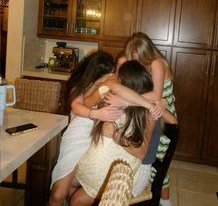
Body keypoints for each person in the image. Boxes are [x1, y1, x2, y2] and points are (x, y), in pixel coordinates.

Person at [49, 52, 163, 206]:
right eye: (116, 69)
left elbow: (141, 151)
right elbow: (82, 104)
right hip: (96, 160)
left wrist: (115, 132)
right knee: (65, 190)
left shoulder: (144, 110)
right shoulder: (110, 91)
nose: (114, 75)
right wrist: (106, 89)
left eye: (119, 72)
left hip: (123, 173)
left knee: (75, 198)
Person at [125, 32, 177, 206]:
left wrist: (127, 97)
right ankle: (164, 202)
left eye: (136, 57)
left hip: (164, 119)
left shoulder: (156, 63)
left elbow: (156, 95)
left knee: (157, 164)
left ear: (145, 52)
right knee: (159, 164)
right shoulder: (153, 64)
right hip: (158, 115)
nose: (135, 61)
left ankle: (162, 201)